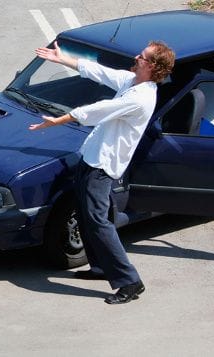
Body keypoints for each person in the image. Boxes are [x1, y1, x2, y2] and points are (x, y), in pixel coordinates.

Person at [29, 40, 175, 304]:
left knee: (98, 222)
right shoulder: (132, 81)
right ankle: (99, 268)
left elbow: (100, 110)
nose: (135, 56)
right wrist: (63, 59)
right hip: (92, 158)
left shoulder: (140, 98)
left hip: (102, 167)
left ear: (152, 66)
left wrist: (61, 119)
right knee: (89, 216)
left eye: (141, 56)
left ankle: (130, 282)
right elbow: (99, 71)